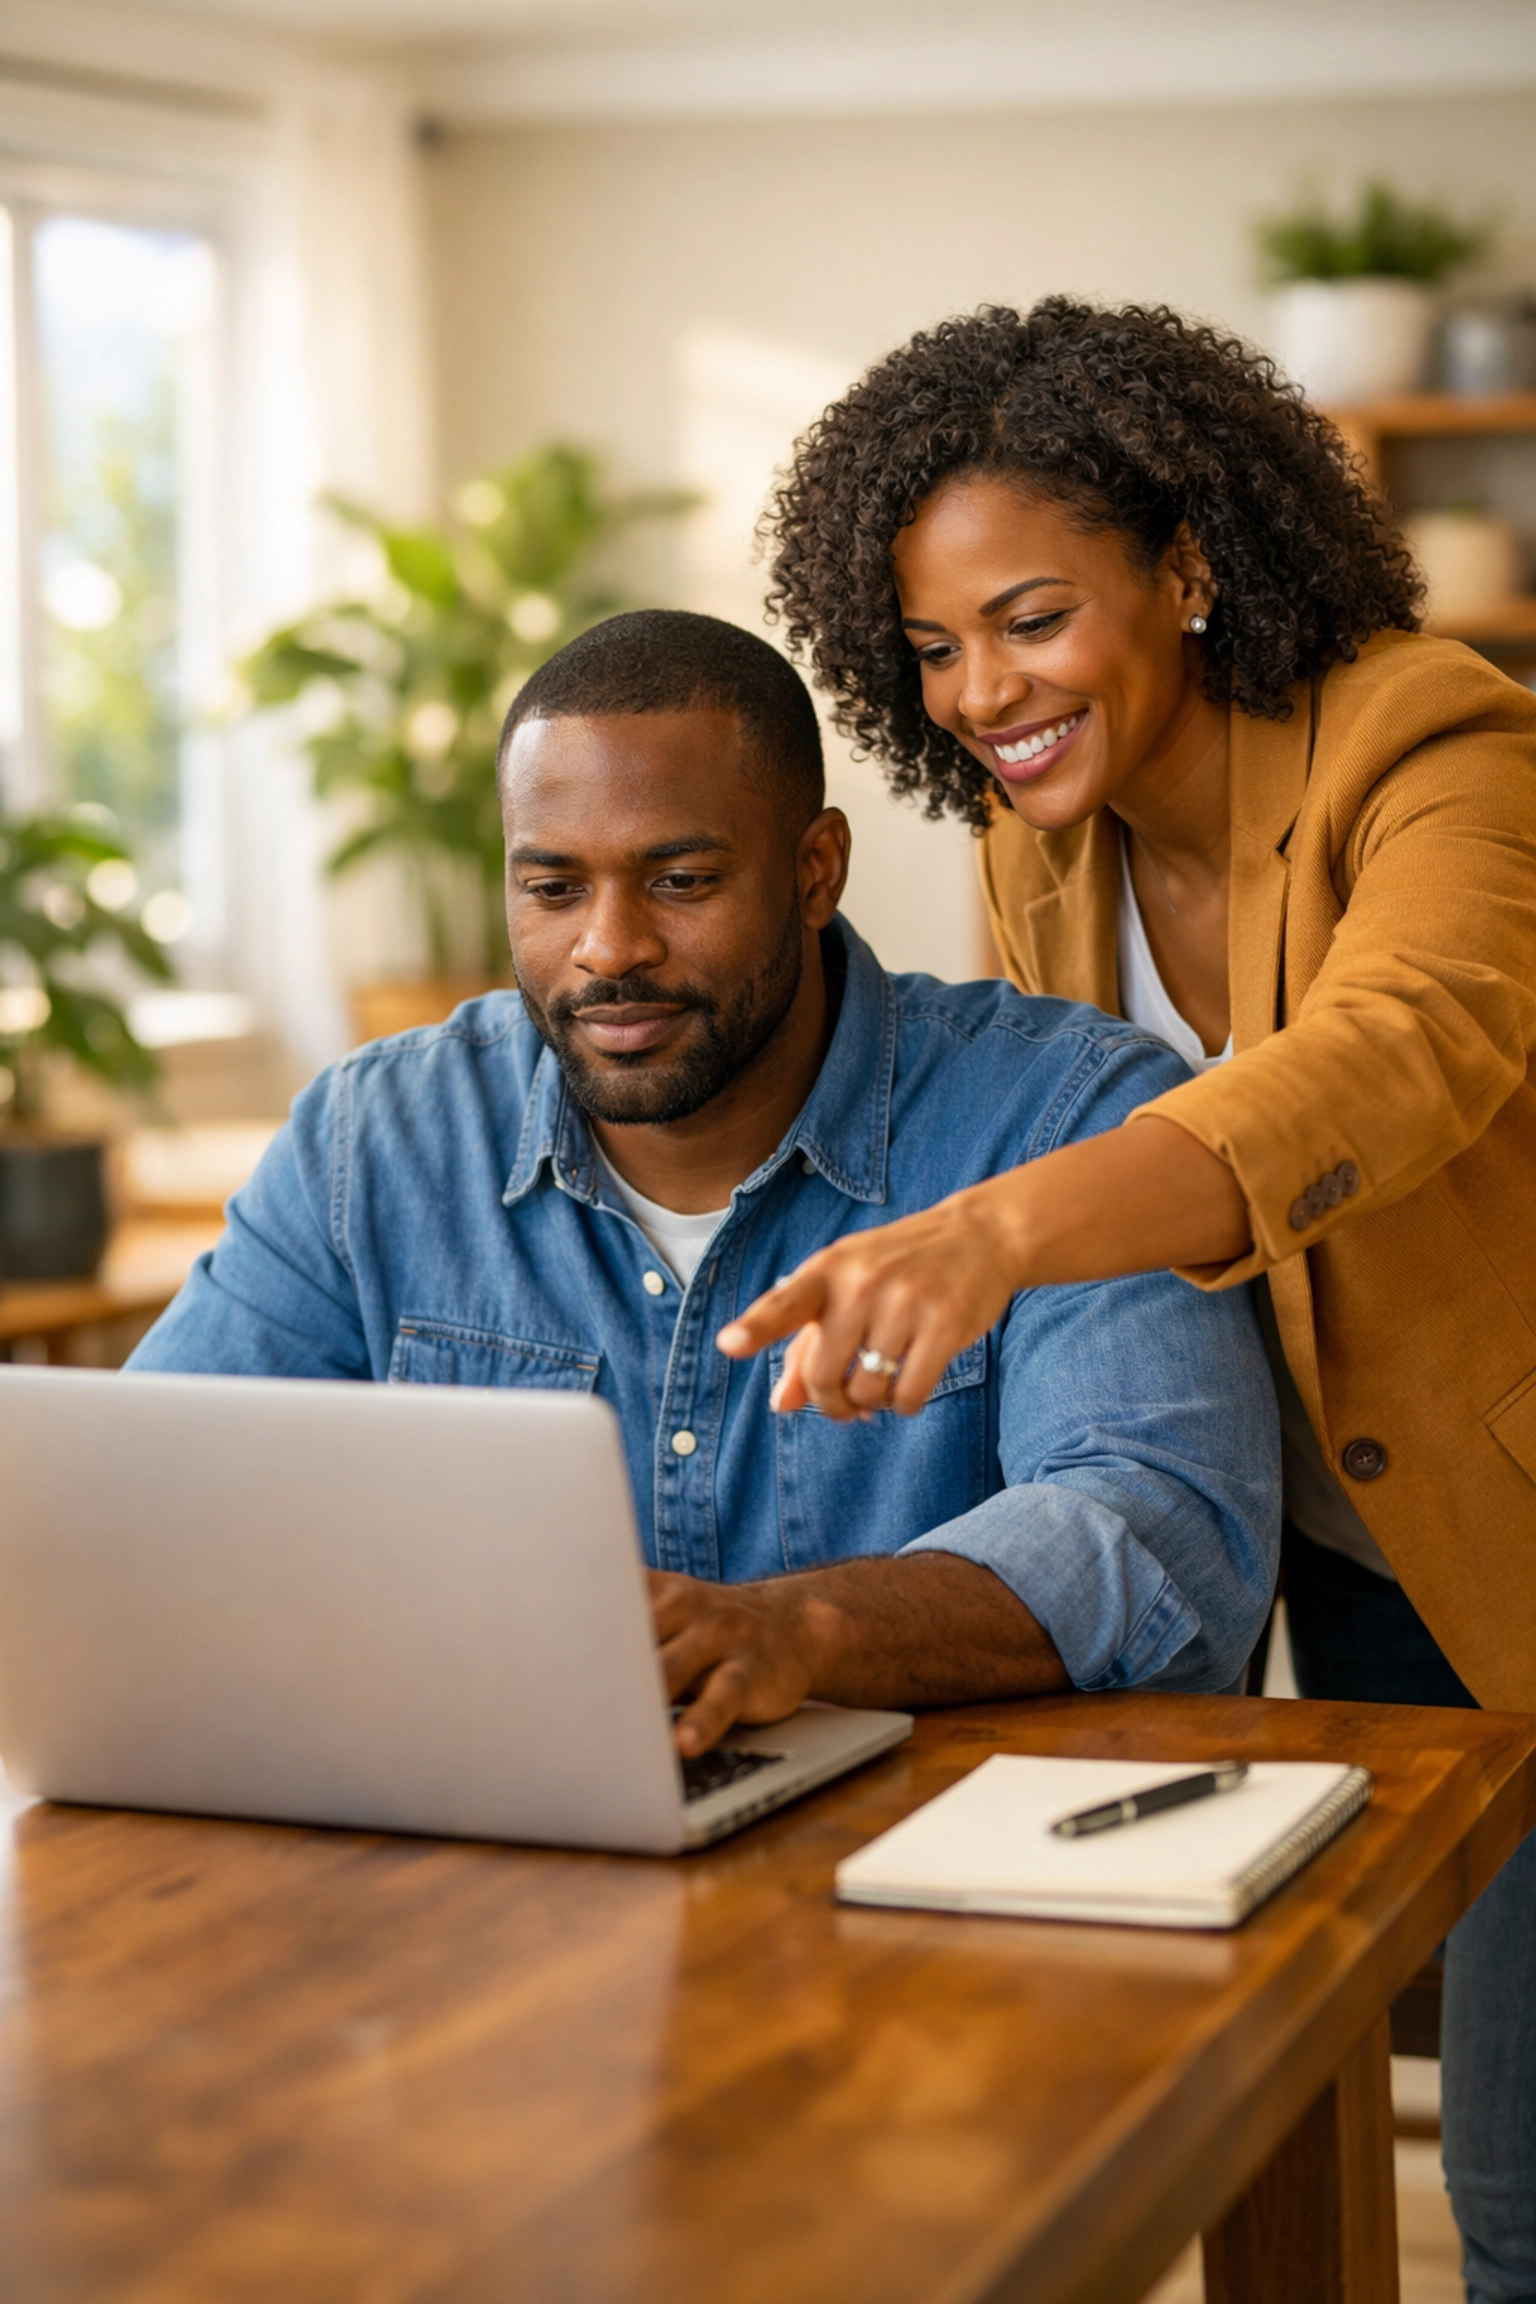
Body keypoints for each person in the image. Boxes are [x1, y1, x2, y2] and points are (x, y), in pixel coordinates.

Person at [727, 300, 1536, 2304]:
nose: (983, 693)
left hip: (1519, 1523)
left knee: (1515, 2195)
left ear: (1185, 567)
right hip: (1343, 1548)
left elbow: (1396, 1050)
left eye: (1028, 618)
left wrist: (996, 1232)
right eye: (930, 648)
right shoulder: (1041, 840)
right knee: (1296, 2112)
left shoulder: (1439, 744)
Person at [131, 607, 1278, 1764]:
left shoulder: (1064, 1116)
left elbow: (1162, 1531)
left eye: (679, 880)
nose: (609, 947)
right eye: (553, 890)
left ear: (815, 870)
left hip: (952, 1871)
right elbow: (147, 1494)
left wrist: (801, 1633)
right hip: (501, 1845)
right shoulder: (375, 1139)